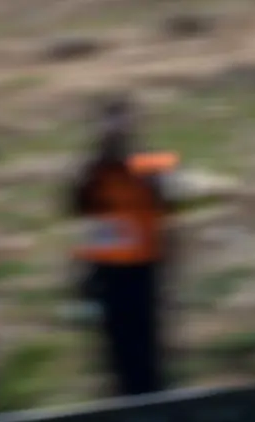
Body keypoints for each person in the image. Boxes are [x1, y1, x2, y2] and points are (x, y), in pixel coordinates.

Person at [66, 96, 172, 398]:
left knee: (147, 343)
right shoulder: (92, 170)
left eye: (121, 121)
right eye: (109, 121)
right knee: (116, 347)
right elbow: (76, 202)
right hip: (107, 268)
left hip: (144, 265)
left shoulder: (145, 163)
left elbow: (168, 189)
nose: (115, 128)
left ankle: (153, 399)